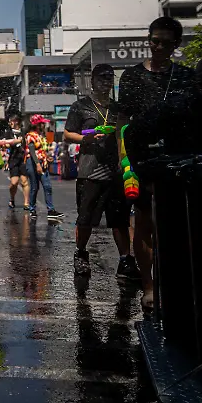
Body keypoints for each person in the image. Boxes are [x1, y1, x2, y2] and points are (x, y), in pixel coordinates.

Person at [116, 16, 195, 311]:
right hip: (142, 159)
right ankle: (148, 287)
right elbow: (123, 120)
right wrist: (123, 159)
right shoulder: (132, 77)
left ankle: (172, 285)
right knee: (144, 222)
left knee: (174, 226)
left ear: (176, 44)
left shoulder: (186, 77)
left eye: (165, 42)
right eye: (154, 41)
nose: (158, 47)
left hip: (177, 159)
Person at [64, 64, 140, 281]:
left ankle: (125, 260)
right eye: (101, 78)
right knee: (85, 217)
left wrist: (125, 162)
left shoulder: (117, 109)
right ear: (93, 81)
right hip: (90, 170)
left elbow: (123, 136)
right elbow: (68, 135)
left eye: (109, 78)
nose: (105, 82)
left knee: (120, 219)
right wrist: (85, 138)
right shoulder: (81, 107)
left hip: (115, 170)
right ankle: (81, 254)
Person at [25, 115, 64, 221]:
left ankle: (51, 210)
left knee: (47, 186)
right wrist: (37, 164)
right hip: (32, 163)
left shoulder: (41, 135)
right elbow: (32, 151)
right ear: (37, 124)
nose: (44, 124)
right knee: (34, 187)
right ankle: (32, 209)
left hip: (43, 162)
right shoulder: (30, 136)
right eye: (42, 123)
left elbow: (42, 149)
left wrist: (47, 157)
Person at [0, 115, 30, 210]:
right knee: (14, 182)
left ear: (16, 121)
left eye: (11, 121)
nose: (10, 123)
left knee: (24, 181)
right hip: (13, 159)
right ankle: (12, 199)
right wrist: (10, 144)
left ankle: (26, 203)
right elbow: (4, 143)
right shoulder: (8, 133)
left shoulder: (24, 132)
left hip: (23, 159)